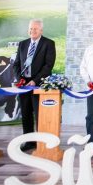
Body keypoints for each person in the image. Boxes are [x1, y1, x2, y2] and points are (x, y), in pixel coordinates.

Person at [12, 19, 56, 152]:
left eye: (35, 29)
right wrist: (20, 79)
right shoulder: (23, 44)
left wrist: (35, 81)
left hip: (39, 84)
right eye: (31, 28)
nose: (32, 31)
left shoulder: (48, 43)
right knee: (26, 114)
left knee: (40, 114)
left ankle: (42, 141)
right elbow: (16, 64)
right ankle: (29, 142)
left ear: (41, 30)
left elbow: (48, 65)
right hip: (24, 84)